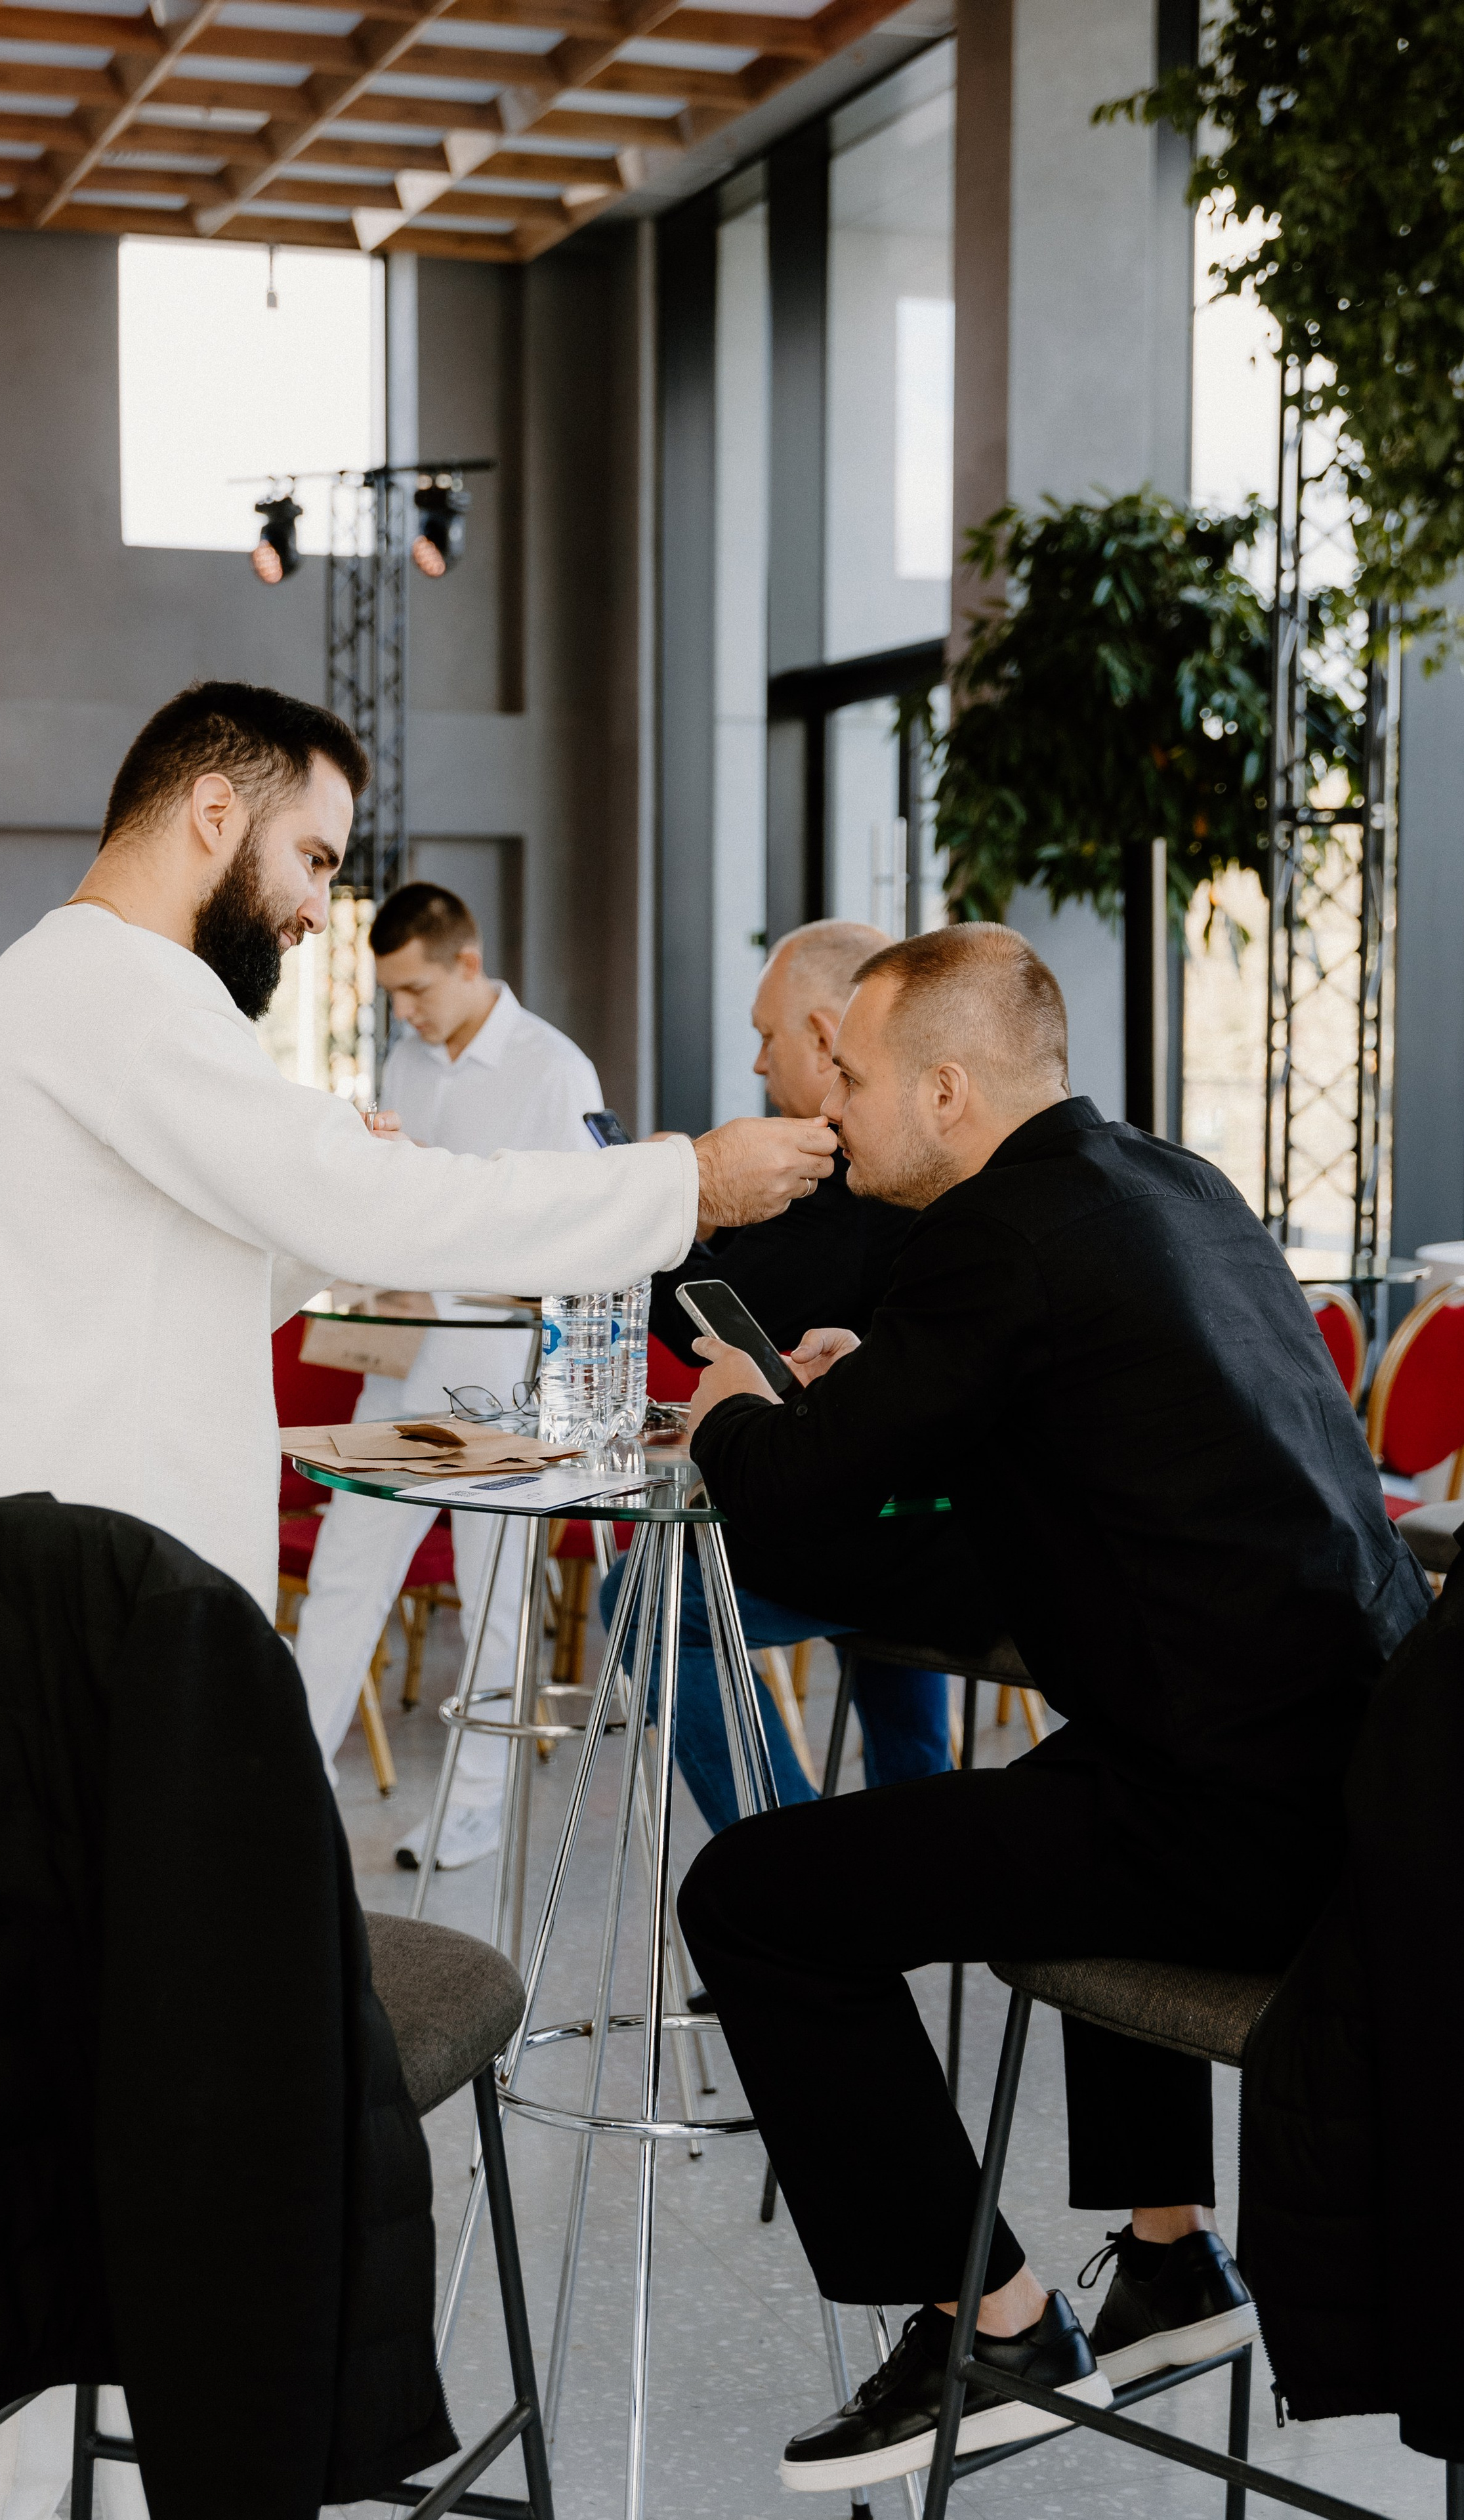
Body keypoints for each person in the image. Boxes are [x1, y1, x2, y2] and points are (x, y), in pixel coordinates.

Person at [0, 679, 837, 2520]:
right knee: (89, 2106)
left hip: (47, 1639)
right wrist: (683, 1185)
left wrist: (326, 1210)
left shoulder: (60, 997)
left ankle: (88, 2465)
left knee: (51, 2108)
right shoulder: (121, 993)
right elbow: (372, 1221)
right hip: (85, 1662)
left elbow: (163, 1274)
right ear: (213, 813)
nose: (324, 905)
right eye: (315, 858)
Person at [677, 923, 1431, 2491]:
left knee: (749, 1898)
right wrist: (876, 1379)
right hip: (1366, 1776)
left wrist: (731, 1416)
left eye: (851, 1078)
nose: (830, 1106)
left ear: (946, 1091)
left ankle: (993, 2325)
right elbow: (1067, 1421)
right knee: (1075, 1776)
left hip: (1240, 1830)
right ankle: (1170, 2258)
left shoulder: (988, 1244)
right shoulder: (1164, 1185)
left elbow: (796, 1505)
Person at [603, 919, 951, 1833]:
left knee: (642, 1601)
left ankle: (788, 1854)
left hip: (898, 1533)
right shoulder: (937, 1158)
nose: (759, 1064)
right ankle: (910, 1854)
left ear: (829, 1038)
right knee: (893, 1675)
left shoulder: (851, 1168)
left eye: (767, 1037)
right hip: (928, 1510)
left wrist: (656, 1200)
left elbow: (720, 1315)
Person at [294, 878, 606, 1870]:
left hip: (502, 1383)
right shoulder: (406, 1059)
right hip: (402, 1365)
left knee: (495, 1599)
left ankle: (476, 1807)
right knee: (344, 1577)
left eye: (417, 989)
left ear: (468, 963)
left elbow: (581, 1241)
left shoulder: (556, 1071)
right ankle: (291, 1790)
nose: (405, 1011)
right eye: (391, 993)